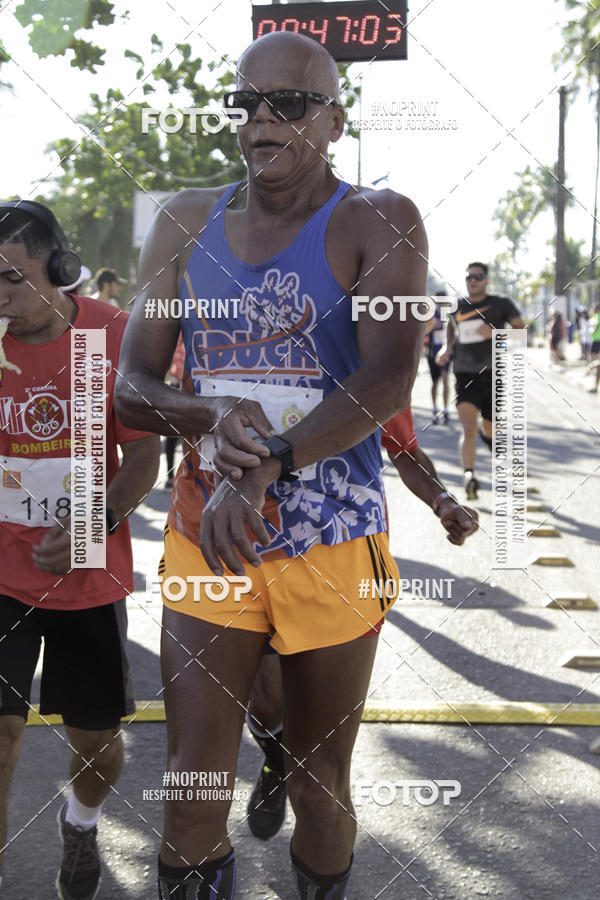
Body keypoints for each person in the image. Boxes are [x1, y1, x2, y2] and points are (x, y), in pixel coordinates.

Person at [115, 30, 428, 900]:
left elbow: (387, 376)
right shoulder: (184, 221)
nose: (260, 120)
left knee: (322, 791)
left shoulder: (380, 218)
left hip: (331, 541)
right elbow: (132, 384)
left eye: (286, 104)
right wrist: (209, 411)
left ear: (333, 119)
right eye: (245, 103)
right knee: (189, 794)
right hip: (208, 534)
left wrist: (273, 461)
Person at [0, 200, 159, 900]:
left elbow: (144, 457)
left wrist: (94, 527)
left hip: (88, 580)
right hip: (3, 571)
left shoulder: (112, 334)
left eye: (10, 279)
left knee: (93, 744)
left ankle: (82, 819)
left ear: (60, 270)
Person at [244, 406, 479, 840]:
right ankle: (276, 761)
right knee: (264, 700)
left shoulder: (372, 353)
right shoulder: (237, 340)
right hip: (253, 552)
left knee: (323, 767)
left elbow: (404, 448)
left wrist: (442, 500)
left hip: (341, 557)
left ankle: (319, 836)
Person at [436, 262, 524, 501]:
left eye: (478, 277)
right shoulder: (458, 305)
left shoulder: (501, 304)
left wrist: (496, 333)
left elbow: (522, 332)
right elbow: (451, 330)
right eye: (469, 277)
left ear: (486, 280)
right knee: (468, 427)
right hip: (464, 373)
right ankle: (469, 476)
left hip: (491, 375)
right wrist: (446, 347)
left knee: (489, 428)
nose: (472, 281)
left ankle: (494, 444)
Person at [425, 291, 451, 424]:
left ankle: (446, 409)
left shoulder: (449, 316)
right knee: (435, 382)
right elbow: (423, 332)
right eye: (439, 300)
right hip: (432, 354)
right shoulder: (431, 315)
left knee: (446, 380)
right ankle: (435, 408)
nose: (441, 302)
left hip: (446, 354)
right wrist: (431, 326)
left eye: (444, 300)